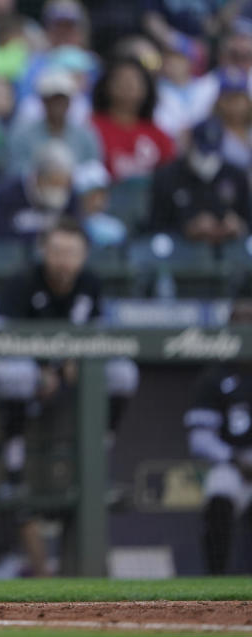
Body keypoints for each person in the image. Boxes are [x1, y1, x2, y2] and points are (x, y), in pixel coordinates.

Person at [0, 218, 139, 495]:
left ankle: (97, 463)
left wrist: (73, 362)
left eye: (72, 253)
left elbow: (98, 335)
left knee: (123, 373)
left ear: (84, 255)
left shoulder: (90, 283)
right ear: (43, 251)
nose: (64, 261)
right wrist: (42, 370)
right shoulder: (22, 281)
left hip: (67, 368)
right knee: (20, 376)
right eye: (57, 252)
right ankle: (14, 474)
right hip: (13, 369)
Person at [184, 300, 252, 574]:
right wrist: (235, 460)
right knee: (219, 493)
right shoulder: (215, 376)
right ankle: (216, 578)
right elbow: (199, 439)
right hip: (231, 463)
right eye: (241, 322)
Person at [148, 118, 250, 245]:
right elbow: (153, 227)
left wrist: (239, 226)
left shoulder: (235, 176)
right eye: (203, 151)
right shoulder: (167, 176)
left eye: (212, 152)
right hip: (181, 255)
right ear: (191, 144)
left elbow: (247, 220)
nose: (208, 158)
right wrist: (187, 228)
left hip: (231, 253)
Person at [4, 67, 102, 180]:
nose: (57, 104)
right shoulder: (22, 134)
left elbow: (93, 171)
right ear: (43, 101)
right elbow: (16, 171)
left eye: (61, 99)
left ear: (69, 102)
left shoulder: (85, 134)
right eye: (52, 99)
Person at [91, 57, 176, 181]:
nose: (128, 85)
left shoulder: (158, 135)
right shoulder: (92, 129)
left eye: (135, 80)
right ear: (107, 85)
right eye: (121, 79)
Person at [0, 139, 79, 242]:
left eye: (63, 184)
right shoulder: (8, 194)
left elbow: (76, 233)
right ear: (38, 177)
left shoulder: (71, 197)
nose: (58, 190)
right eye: (54, 183)